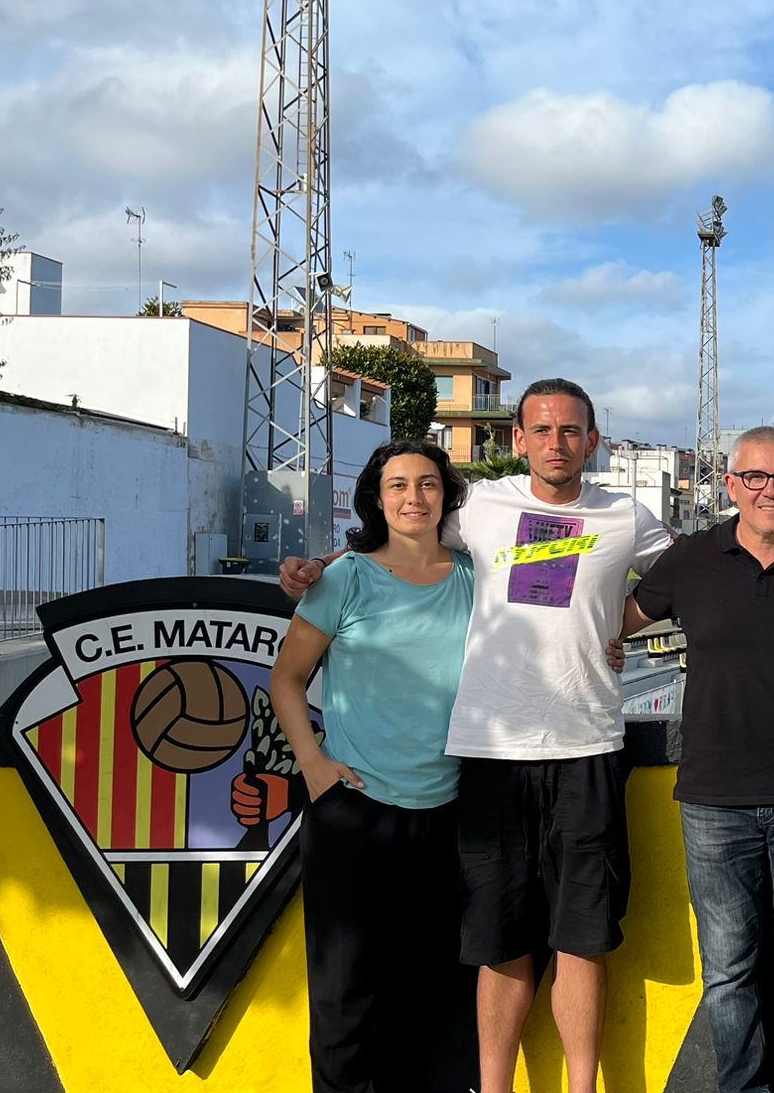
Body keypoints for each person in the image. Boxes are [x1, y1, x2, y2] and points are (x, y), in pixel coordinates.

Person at [282, 378, 671, 1093]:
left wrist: (626, 622)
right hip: (486, 765)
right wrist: (318, 568)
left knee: (579, 941)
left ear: (593, 439)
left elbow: (689, 569)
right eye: (542, 430)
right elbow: (397, 537)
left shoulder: (626, 515)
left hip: (582, 754)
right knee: (493, 943)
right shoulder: (482, 508)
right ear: (518, 440)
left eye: (571, 430)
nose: (557, 443)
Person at [619, 426, 774, 1093]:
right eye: (755, 478)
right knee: (729, 972)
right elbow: (607, 621)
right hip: (713, 799)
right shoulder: (691, 560)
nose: (770, 490)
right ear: (731, 485)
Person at [268, 440, 480, 1092]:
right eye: (397, 486)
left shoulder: (478, 578)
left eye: (426, 483)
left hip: (450, 819)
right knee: (344, 1002)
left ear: (446, 494)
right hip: (355, 818)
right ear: (377, 498)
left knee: (439, 1000)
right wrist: (315, 765)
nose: (413, 497)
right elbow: (287, 679)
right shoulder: (345, 578)